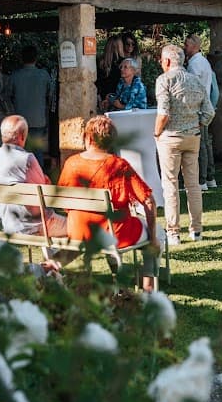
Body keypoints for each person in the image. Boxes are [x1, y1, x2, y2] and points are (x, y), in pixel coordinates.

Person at [58, 116, 162, 291]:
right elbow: (148, 201)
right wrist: (153, 237)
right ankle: (148, 288)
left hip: (79, 231)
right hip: (115, 235)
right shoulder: (118, 165)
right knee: (156, 232)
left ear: (88, 138)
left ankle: (118, 277)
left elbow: (63, 201)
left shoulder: (71, 163)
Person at [153, 44, 214, 245]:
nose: (161, 63)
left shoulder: (164, 80)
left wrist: (156, 132)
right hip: (192, 136)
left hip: (170, 136)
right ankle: (196, 230)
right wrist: (197, 124)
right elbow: (209, 112)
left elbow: (163, 112)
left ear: (168, 61)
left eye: (162, 60)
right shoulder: (195, 80)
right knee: (193, 185)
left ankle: (173, 232)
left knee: (170, 184)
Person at [0, 114, 67, 239]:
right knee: (79, 227)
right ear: (22, 136)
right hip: (35, 224)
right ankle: (55, 259)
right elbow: (44, 192)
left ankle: (52, 258)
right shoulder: (27, 159)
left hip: (8, 222)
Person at [9, 45, 53, 165]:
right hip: (39, 119)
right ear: (36, 58)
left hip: (19, 119)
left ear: (21, 58)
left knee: (20, 151)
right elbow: (51, 95)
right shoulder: (44, 75)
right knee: (37, 152)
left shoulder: (15, 76)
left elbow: (8, 96)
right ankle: (38, 178)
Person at [184, 34, 217, 190]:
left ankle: (202, 180)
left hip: (198, 108)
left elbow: (193, 87)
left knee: (200, 144)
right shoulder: (204, 62)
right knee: (205, 143)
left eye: (187, 45)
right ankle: (210, 177)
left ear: (195, 46)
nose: (185, 48)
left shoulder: (195, 64)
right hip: (205, 105)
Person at [96, 35, 125, 106]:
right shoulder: (123, 63)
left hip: (104, 97)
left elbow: (98, 82)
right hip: (118, 98)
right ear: (120, 47)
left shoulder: (101, 62)